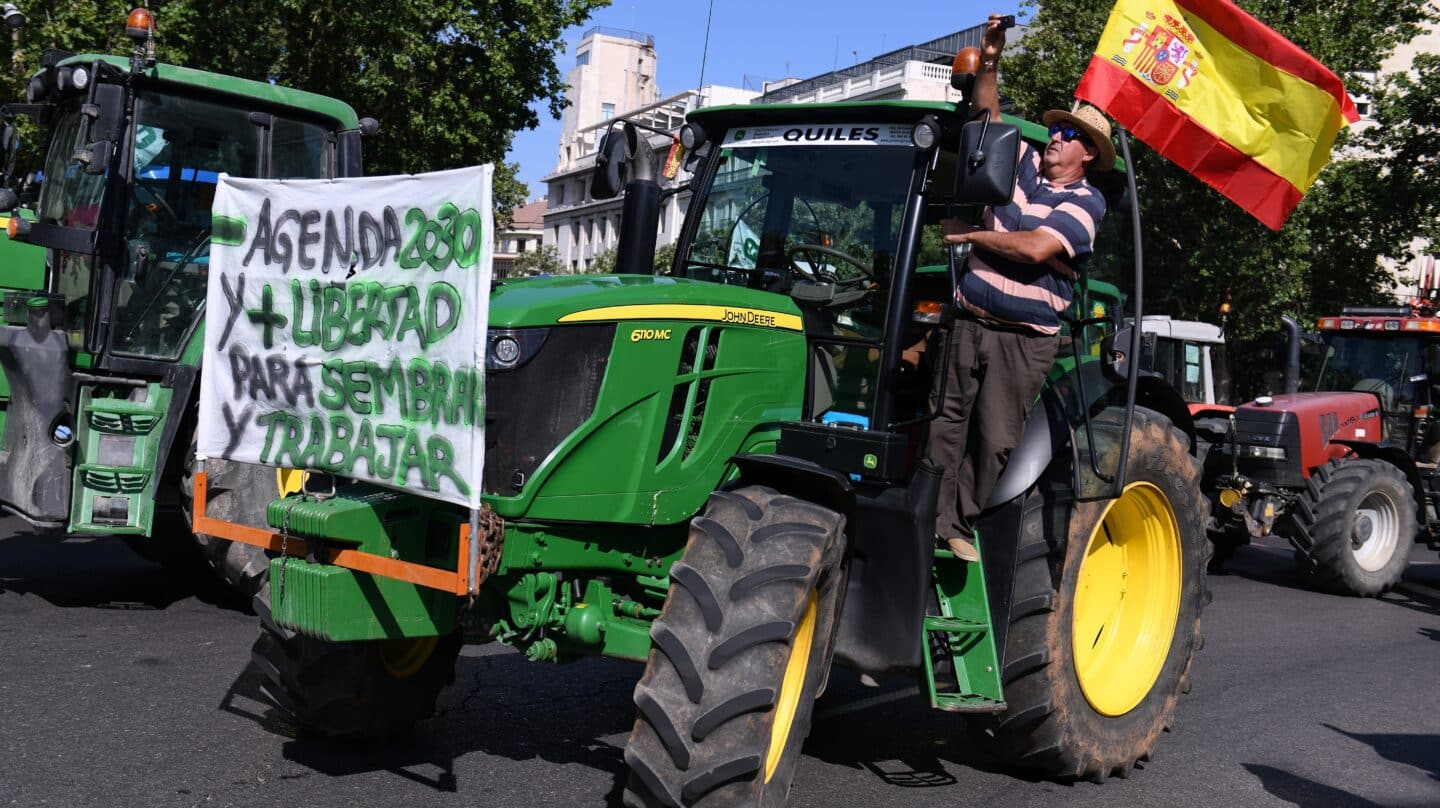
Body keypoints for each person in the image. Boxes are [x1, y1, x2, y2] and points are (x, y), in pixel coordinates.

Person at [929, 13, 1113, 561]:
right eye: (1058, 129)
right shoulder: (1024, 166)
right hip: (969, 321)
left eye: (1071, 135)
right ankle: (932, 520)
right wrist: (990, 57)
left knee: (995, 440)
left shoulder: (1087, 204)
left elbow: (1035, 248)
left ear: (1088, 156)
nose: (1057, 136)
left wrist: (971, 237)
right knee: (944, 426)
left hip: (1022, 340)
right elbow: (988, 118)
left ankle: (960, 520)